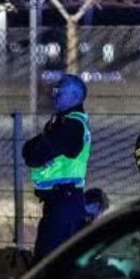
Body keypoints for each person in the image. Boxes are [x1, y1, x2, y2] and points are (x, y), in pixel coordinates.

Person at [23, 74, 91, 262]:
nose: (55, 95)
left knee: (46, 262)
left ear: (76, 96)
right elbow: (29, 148)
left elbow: (35, 155)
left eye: (60, 92)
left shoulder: (71, 125)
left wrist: (34, 151)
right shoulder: (62, 122)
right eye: (55, 91)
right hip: (62, 200)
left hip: (64, 203)